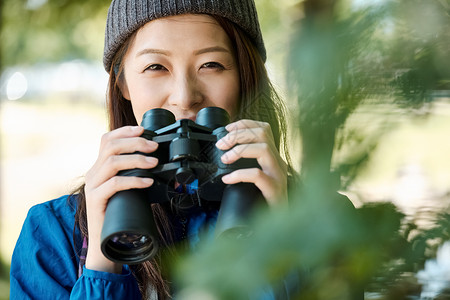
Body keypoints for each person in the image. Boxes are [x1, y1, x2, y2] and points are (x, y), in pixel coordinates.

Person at [10, 0, 293, 299]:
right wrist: (102, 258)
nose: (185, 97)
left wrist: (293, 238)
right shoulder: (51, 235)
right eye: (155, 66)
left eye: (211, 65)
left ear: (246, 77)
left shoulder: (329, 221)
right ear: (123, 83)